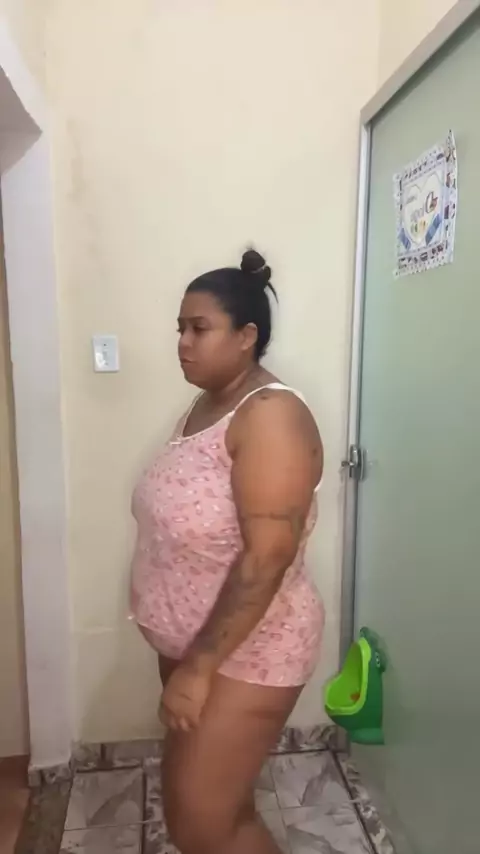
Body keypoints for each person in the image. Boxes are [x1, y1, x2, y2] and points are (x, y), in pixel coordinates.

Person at [130, 249, 325, 854]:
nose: (183, 344)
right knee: (210, 802)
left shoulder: (270, 416)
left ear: (247, 336)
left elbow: (268, 556)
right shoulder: (207, 404)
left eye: (199, 328)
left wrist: (198, 668)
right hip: (196, 642)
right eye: (180, 329)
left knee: (202, 824)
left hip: (249, 652)